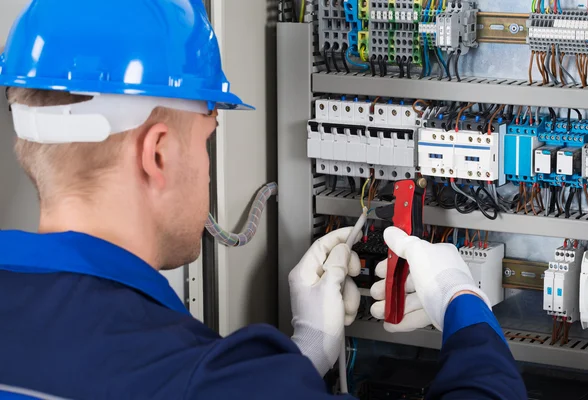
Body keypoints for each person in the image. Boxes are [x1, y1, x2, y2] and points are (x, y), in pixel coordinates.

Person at [0, 1, 526, 399]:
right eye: (207, 137)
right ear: (157, 155)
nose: (209, 164)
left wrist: (304, 354)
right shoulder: (209, 381)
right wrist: (465, 305)